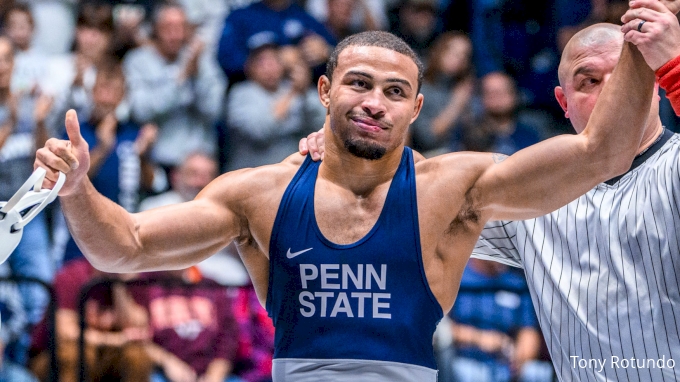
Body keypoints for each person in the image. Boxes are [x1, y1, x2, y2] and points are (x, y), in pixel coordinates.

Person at [34, 27, 655, 380]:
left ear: (416, 108)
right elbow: (125, 248)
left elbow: (603, 152)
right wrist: (79, 187)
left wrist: (640, 34)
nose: (375, 102)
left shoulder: (454, 186)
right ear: (326, 90)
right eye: (359, 83)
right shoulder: (260, 194)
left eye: (395, 91)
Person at [297, 2, 680, 382]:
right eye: (589, 81)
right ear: (563, 103)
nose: (611, 94)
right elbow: (410, 188)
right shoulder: (532, 190)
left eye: (624, 76)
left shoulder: (673, 166)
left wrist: (675, 67)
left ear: (656, 85)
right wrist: (348, 150)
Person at [123, 3, 225, 170]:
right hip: (159, 163)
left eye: (181, 27)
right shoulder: (138, 61)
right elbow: (140, 110)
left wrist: (198, 75)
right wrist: (181, 78)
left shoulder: (201, 60)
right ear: (155, 29)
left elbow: (215, 110)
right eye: (168, 27)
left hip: (200, 164)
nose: (176, 35)